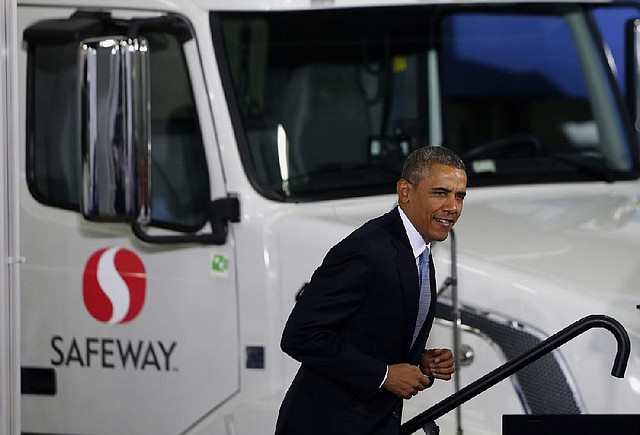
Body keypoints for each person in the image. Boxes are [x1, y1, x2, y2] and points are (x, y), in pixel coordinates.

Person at [274, 146, 467, 435]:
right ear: (405, 191)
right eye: (440, 193)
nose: (453, 207)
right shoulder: (367, 248)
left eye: (459, 195)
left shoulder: (418, 252)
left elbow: (367, 335)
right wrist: (384, 375)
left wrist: (420, 361)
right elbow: (300, 336)